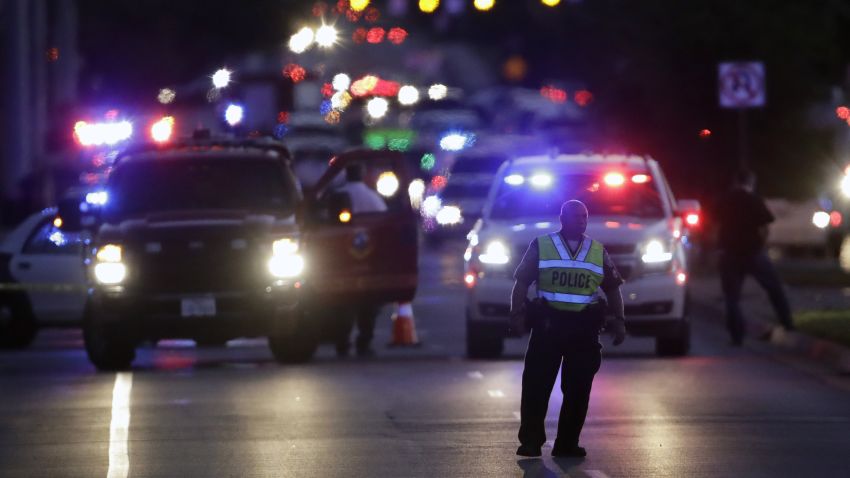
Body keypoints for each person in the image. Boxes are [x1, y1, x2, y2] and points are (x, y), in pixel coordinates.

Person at [510, 200, 626, 458]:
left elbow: (613, 288)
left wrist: (619, 321)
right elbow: (521, 282)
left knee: (578, 389)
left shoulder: (597, 250)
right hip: (548, 326)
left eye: (585, 215)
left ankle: (567, 443)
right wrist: (517, 313)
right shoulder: (542, 246)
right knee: (536, 387)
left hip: (583, 330)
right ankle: (531, 442)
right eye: (576, 216)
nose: (582, 220)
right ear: (562, 218)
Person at [714, 169, 794, 345]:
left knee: (732, 297)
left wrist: (718, 247)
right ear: (751, 182)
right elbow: (765, 226)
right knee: (774, 289)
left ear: (736, 181)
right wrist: (761, 244)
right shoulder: (754, 200)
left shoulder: (726, 200)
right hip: (753, 252)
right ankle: (787, 324)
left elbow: (715, 224)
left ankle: (737, 335)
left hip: (730, 253)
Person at [333, 164, 387, 357]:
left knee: (342, 306)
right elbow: (385, 227)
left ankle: (342, 344)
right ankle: (364, 343)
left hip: (340, 264)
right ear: (363, 175)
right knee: (369, 307)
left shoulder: (336, 197)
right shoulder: (373, 199)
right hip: (368, 264)